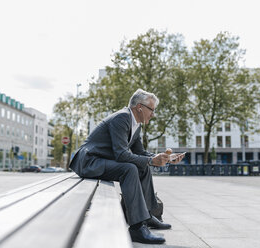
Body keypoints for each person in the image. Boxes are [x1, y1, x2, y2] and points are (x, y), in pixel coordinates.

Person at [69, 89, 185, 244]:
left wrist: (165, 158)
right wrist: (152, 161)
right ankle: (137, 228)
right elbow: (121, 155)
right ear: (139, 107)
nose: (153, 114)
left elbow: (140, 153)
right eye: (151, 109)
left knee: (141, 166)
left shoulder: (136, 124)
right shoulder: (122, 118)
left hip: (100, 161)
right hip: (89, 162)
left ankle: (148, 215)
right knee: (129, 168)